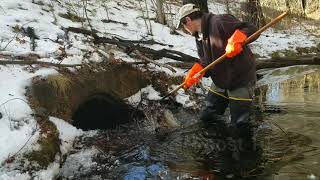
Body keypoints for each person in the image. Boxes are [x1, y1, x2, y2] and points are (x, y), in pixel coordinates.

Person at [176, 4, 259, 152]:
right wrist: (198, 71)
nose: (184, 30)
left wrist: (239, 37)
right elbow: (207, 62)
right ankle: (219, 148)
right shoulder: (199, 37)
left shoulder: (219, 21)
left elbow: (252, 28)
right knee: (207, 117)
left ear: (188, 20)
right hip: (220, 80)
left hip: (241, 79)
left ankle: (246, 161)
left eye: (183, 26)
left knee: (239, 126)